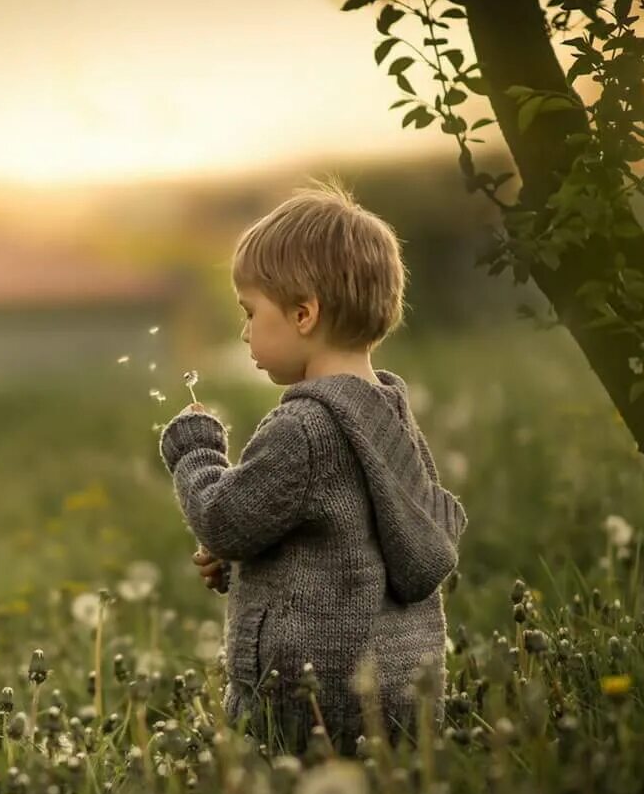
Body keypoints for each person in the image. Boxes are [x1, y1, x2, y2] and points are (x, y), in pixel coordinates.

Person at [158, 178, 468, 756]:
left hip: (311, 700)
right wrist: (246, 558)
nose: (246, 332)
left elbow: (224, 517)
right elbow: (360, 537)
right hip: (398, 688)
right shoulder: (390, 412)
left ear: (304, 313)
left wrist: (196, 451)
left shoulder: (303, 428)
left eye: (251, 313)